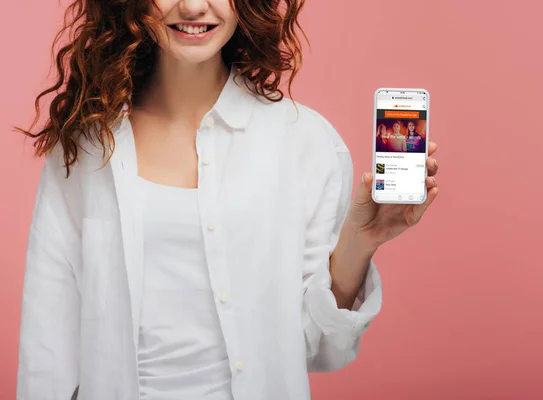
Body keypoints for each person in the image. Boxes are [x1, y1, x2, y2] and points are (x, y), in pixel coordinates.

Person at [16, 0, 440, 399]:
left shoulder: (305, 141)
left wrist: (360, 241)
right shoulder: (85, 149)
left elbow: (318, 346)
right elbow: (47, 344)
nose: (195, 6)